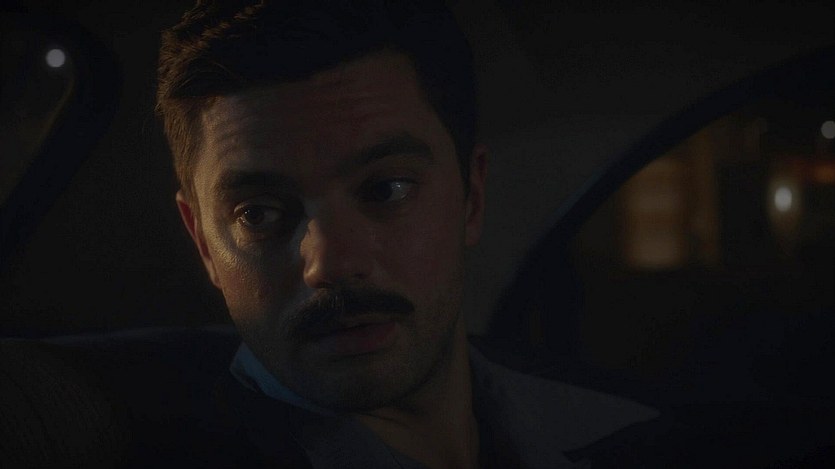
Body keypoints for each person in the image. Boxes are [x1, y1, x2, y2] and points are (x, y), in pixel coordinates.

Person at [156, 1, 658, 467]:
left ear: (471, 197)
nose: (331, 263)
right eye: (258, 214)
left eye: (386, 189)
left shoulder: (640, 435)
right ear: (203, 243)